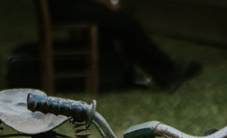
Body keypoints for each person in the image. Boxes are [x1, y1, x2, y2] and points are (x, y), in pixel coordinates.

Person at [48, 0, 202, 93]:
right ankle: (166, 70)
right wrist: (106, 3)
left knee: (120, 23)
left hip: (69, 6)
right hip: (70, 7)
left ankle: (130, 75)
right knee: (126, 24)